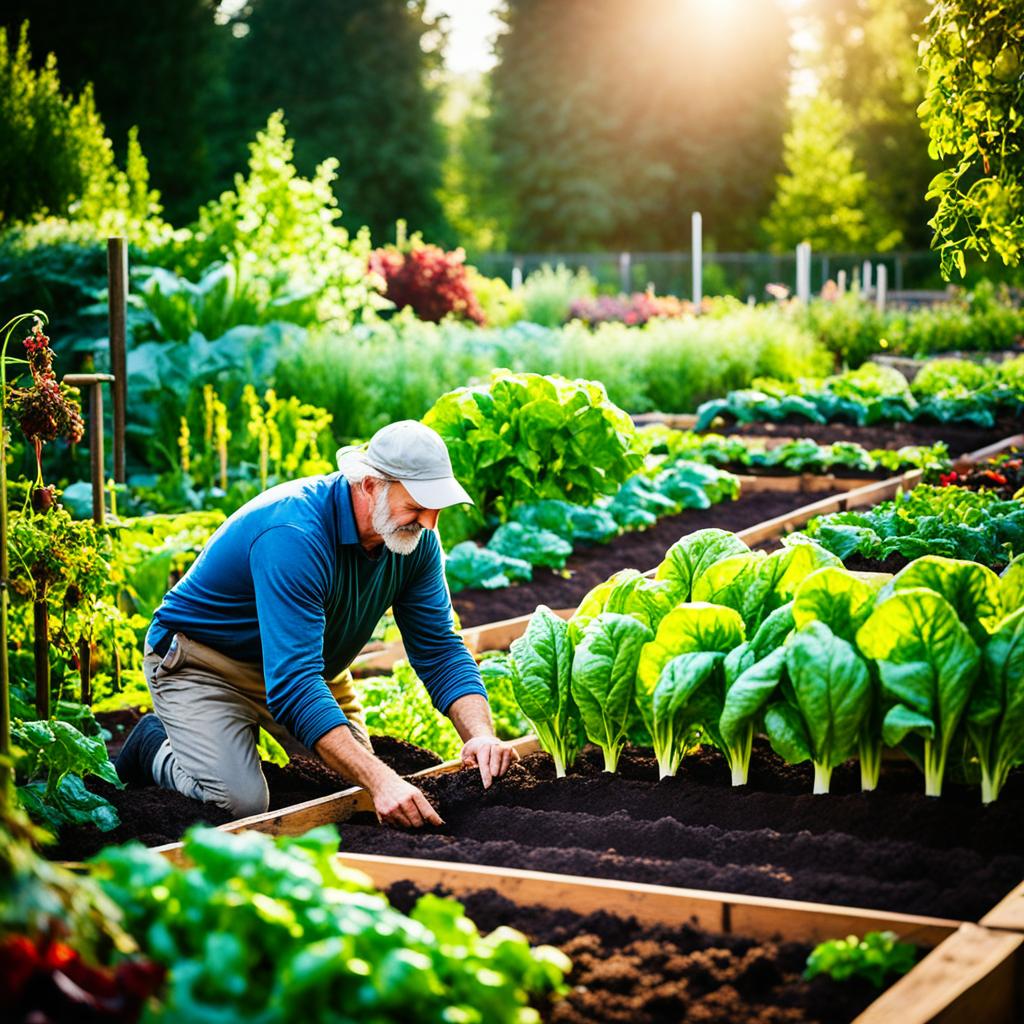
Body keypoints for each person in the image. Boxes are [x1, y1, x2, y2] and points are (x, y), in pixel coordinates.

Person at [115, 420, 516, 827]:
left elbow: (440, 647)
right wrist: (381, 781)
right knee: (239, 805)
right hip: (206, 663)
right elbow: (294, 684)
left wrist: (480, 735)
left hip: (309, 667)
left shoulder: (414, 542)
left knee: (350, 790)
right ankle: (153, 747)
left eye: (436, 508)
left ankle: (230, 750)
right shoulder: (294, 534)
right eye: (415, 506)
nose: (429, 522)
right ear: (371, 485)